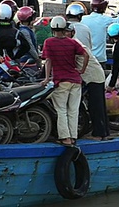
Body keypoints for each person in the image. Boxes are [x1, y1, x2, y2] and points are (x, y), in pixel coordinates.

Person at [41, 16, 88, 146]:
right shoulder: (72, 42)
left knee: (61, 110)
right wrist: (81, 70)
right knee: (73, 110)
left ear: (52, 28)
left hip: (61, 81)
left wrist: (46, 78)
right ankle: (73, 137)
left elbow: (48, 61)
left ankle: (65, 138)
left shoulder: (49, 42)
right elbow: (85, 54)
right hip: (75, 80)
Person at [64, 23, 110, 141]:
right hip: (92, 76)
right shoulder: (72, 42)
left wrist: (82, 70)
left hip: (93, 76)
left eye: (67, 32)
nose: (65, 34)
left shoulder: (74, 43)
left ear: (72, 33)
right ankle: (103, 132)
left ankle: (99, 134)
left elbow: (84, 56)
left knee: (96, 107)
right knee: (98, 106)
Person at [81, 0, 119, 64]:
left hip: (85, 56)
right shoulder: (105, 19)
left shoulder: (83, 19)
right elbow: (117, 21)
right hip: (99, 57)